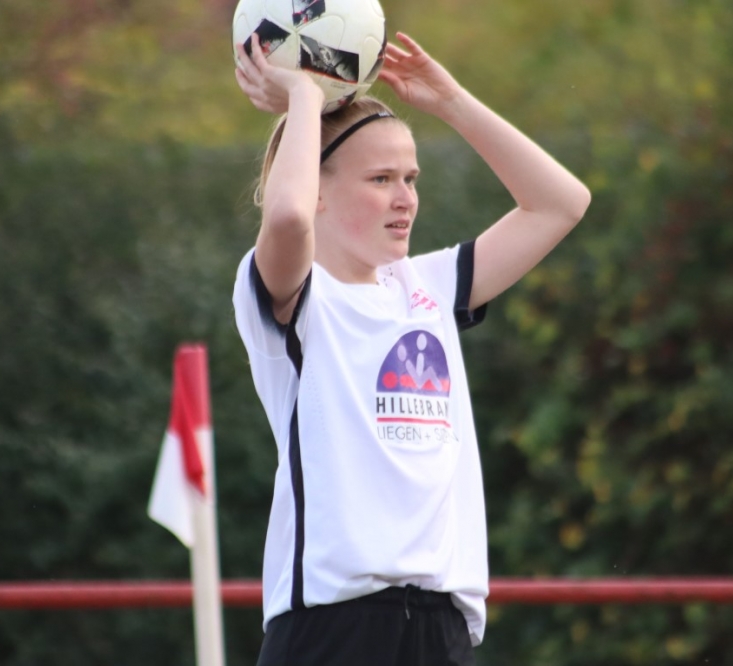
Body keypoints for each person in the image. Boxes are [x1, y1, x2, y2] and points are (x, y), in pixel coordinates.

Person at [232, 30, 591, 666]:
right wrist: (305, 99)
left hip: (440, 629)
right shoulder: (299, 295)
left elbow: (561, 204)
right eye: (380, 179)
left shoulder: (428, 285)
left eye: (410, 178)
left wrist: (451, 102)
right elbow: (286, 219)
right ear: (316, 189)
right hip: (331, 629)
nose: (405, 199)